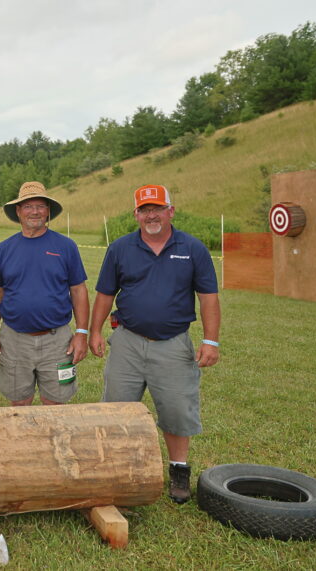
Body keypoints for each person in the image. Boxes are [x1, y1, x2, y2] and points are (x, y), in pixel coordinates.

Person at [89, 184, 221, 504]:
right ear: (136, 214)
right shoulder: (120, 248)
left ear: (170, 211)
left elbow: (208, 297)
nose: (152, 215)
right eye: (145, 209)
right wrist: (94, 332)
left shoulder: (192, 248)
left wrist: (210, 340)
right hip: (128, 342)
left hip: (173, 344)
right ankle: (118, 468)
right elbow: (105, 294)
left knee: (177, 410)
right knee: (117, 407)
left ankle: (178, 470)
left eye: (157, 208)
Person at [0, 181, 90, 407]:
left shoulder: (66, 246)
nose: (35, 211)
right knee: (19, 403)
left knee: (55, 403)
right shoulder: (4, 249)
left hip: (57, 341)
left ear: (48, 211)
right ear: (18, 211)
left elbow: (78, 290)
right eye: (28, 206)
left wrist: (81, 333)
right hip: (14, 340)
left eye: (41, 206)